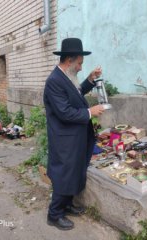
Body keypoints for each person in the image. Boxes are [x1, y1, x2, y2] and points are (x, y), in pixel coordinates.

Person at [43, 38, 105, 230]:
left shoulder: (66, 76)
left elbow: (76, 94)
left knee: (73, 172)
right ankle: (54, 214)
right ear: (69, 61)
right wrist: (89, 112)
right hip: (64, 139)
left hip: (74, 136)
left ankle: (66, 205)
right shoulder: (54, 81)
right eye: (79, 64)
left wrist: (90, 79)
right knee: (64, 174)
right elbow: (64, 112)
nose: (80, 68)